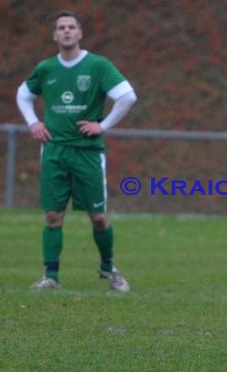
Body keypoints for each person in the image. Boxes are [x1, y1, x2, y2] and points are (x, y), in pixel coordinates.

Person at [16, 10, 137, 292]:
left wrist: (102, 125)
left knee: (98, 217)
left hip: (87, 152)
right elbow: (23, 94)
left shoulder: (97, 66)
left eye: (72, 27)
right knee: (52, 216)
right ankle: (51, 276)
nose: (67, 31)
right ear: (55, 35)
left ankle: (108, 268)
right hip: (55, 151)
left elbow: (127, 96)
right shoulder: (46, 68)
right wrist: (33, 122)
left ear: (80, 33)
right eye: (62, 27)